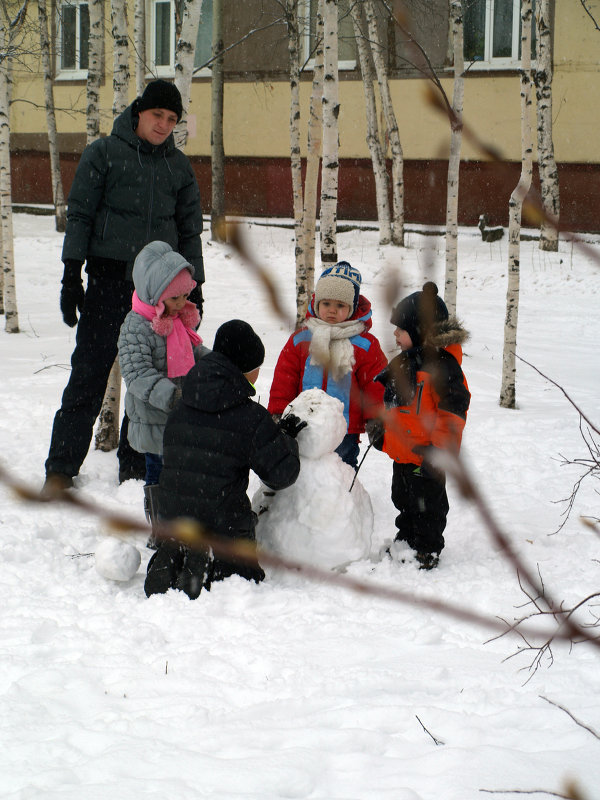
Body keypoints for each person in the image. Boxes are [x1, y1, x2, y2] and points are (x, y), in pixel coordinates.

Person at [43, 79, 204, 493]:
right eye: (157, 116)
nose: (164, 125)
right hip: (109, 284)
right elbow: (80, 214)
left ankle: (136, 468)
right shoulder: (104, 154)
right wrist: (70, 273)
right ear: (138, 113)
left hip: (160, 298)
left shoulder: (178, 167)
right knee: (89, 376)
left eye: (172, 119)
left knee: (151, 379)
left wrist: (194, 285)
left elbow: (189, 231)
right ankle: (60, 470)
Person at [144, 320, 303, 599]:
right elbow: (282, 474)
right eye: (257, 368)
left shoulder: (182, 404)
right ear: (244, 370)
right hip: (224, 528)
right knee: (238, 582)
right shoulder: (249, 416)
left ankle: (179, 552)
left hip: (172, 517)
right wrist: (285, 437)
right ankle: (217, 564)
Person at [366, 282, 471, 570]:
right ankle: (407, 539)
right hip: (404, 452)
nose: (395, 335)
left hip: (428, 453)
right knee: (403, 498)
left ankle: (426, 548)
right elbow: (395, 407)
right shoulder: (403, 363)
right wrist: (382, 432)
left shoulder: (444, 368)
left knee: (428, 506)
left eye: (401, 329)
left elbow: (453, 414)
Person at [117, 240, 208, 536]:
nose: (183, 303)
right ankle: (161, 531)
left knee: (183, 473)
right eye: (176, 298)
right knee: (158, 473)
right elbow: (138, 374)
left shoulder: (174, 319)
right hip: (154, 418)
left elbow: (193, 353)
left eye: (185, 296)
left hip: (180, 416)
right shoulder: (136, 327)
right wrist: (172, 396)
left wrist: (218, 365)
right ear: (157, 295)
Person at [268, 261, 387, 469]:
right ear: (316, 304)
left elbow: (375, 386)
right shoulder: (301, 340)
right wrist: (279, 412)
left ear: (352, 308)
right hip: (302, 423)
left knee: (339, 470)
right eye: (326, 304)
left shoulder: (364, 345)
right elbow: (285, 378)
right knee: (302, 468)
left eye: (340, 305)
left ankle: (341, 501)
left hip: (344, 430)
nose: (332, 311)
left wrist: (377, 418)